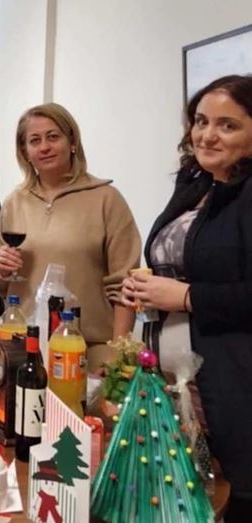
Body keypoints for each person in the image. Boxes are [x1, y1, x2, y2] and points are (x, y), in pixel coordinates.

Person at [121, 75, 252, 522]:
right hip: (179, 381)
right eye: (201, 121)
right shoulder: (196, 182)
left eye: (227, 125)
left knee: (229, 500)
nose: (207, 135)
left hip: (233, 388)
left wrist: (189, 296)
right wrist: (148, 289)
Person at [0, 103, 140, 370]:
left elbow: (126, 284)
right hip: (24, 348)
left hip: (87, 351)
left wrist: (120, 355)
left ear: (72, 142)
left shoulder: (106, 199)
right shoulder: (15, 202)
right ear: (25, 152)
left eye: (53, 137)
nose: (44, 147)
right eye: (35, 140)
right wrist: (1, 269)